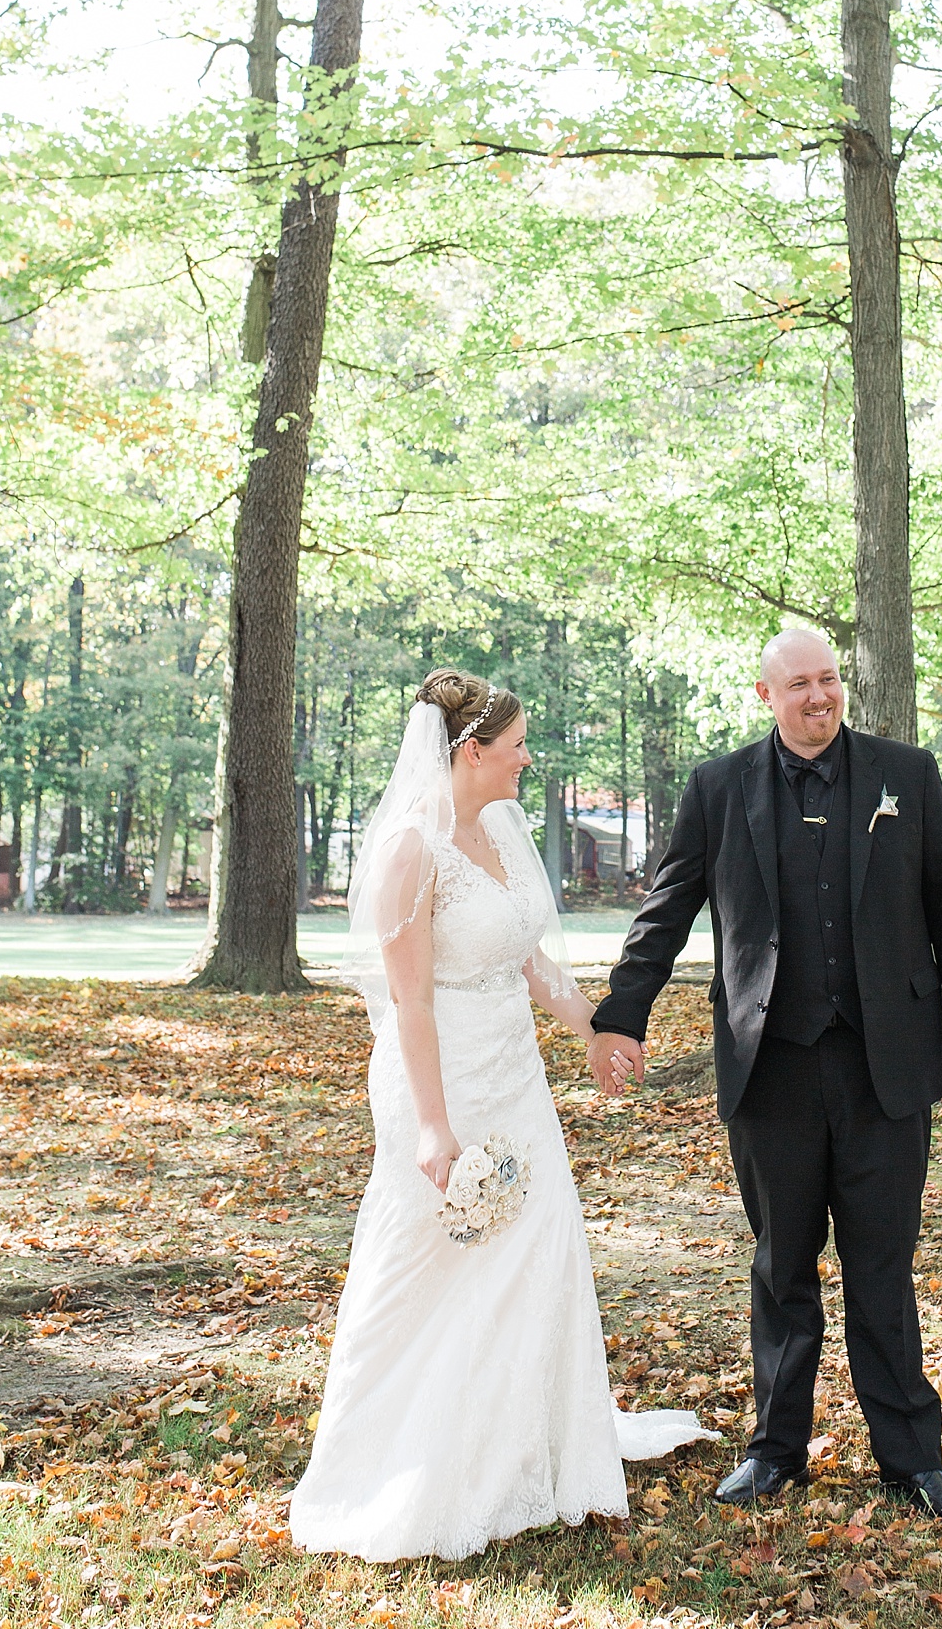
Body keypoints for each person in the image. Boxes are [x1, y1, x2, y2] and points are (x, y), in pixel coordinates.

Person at [290, 668, 708, 1564]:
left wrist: (594, 1031)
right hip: (439, 1081)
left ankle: (531, 1449)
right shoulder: (412, 852)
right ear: (470, 752)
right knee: (433, 1266)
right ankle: (414, 1462)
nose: (528, 758)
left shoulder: (507, 829)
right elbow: (409, 1005)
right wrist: (434, 1127)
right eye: (516, 745)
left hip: (515, 1078)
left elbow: (530, 960)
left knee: (538, 1248)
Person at [587, 630, 942, 1519]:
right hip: (769, 1069)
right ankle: (776, 1451)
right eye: (799, 685)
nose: (818, 697)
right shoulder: (717, 787)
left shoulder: (908, 775)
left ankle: (911, 1462)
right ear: (765, 693)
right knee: (782, 1267)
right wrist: (622, 1014)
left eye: (828, 681)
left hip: (883, 1067)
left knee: (882, 1268)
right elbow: (667, 910)